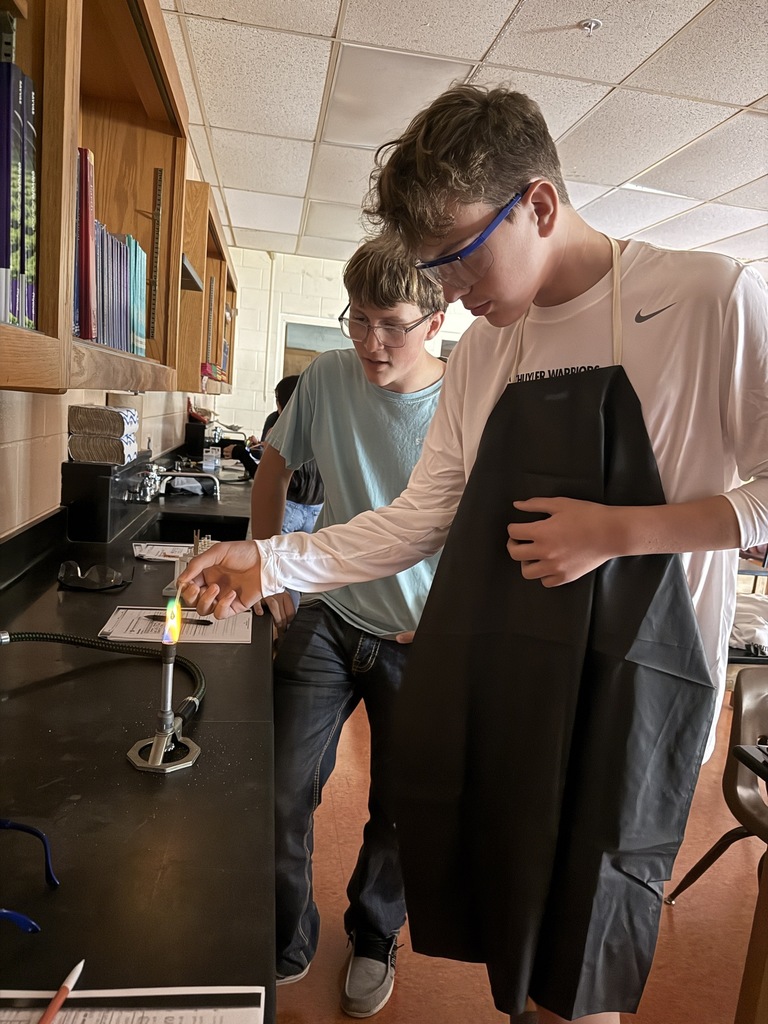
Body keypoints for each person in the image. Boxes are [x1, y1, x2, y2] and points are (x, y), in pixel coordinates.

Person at [179, 85, 768, 1024]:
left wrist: (621, 531)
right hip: (517, 680)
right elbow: (419, 518)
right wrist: (273, 562)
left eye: (457, 258)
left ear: (536, 205)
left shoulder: (706, 299)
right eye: (434, 268)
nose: (448, 292)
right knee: (518, 938)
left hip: (643, 695)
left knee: (586, 970)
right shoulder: (493, 353)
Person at [249, 235, 447, 1018]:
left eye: (390, 324)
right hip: (327, 617)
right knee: (279, 790)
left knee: (400, 806)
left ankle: (374, 934)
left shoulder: (465, 402)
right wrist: (271, 573)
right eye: (357, 320)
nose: (370, 342)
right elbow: (273, 467)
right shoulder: (329, 378)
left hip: (416, 637)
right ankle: (285, 933)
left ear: (437, 318)